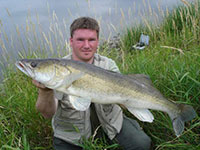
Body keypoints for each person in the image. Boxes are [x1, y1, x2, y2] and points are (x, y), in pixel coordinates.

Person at [33, 17, 151, 150]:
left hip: (110, 122)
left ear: (97, 42)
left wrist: (130, 99)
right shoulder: (59, 70)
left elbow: (123, 104)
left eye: (91, 40)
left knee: (142, 144)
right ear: (71, 42)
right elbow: (47, 113)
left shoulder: (108, 64)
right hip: (72, 134)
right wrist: (44, 91)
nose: (86, 45)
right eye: (80, 40)